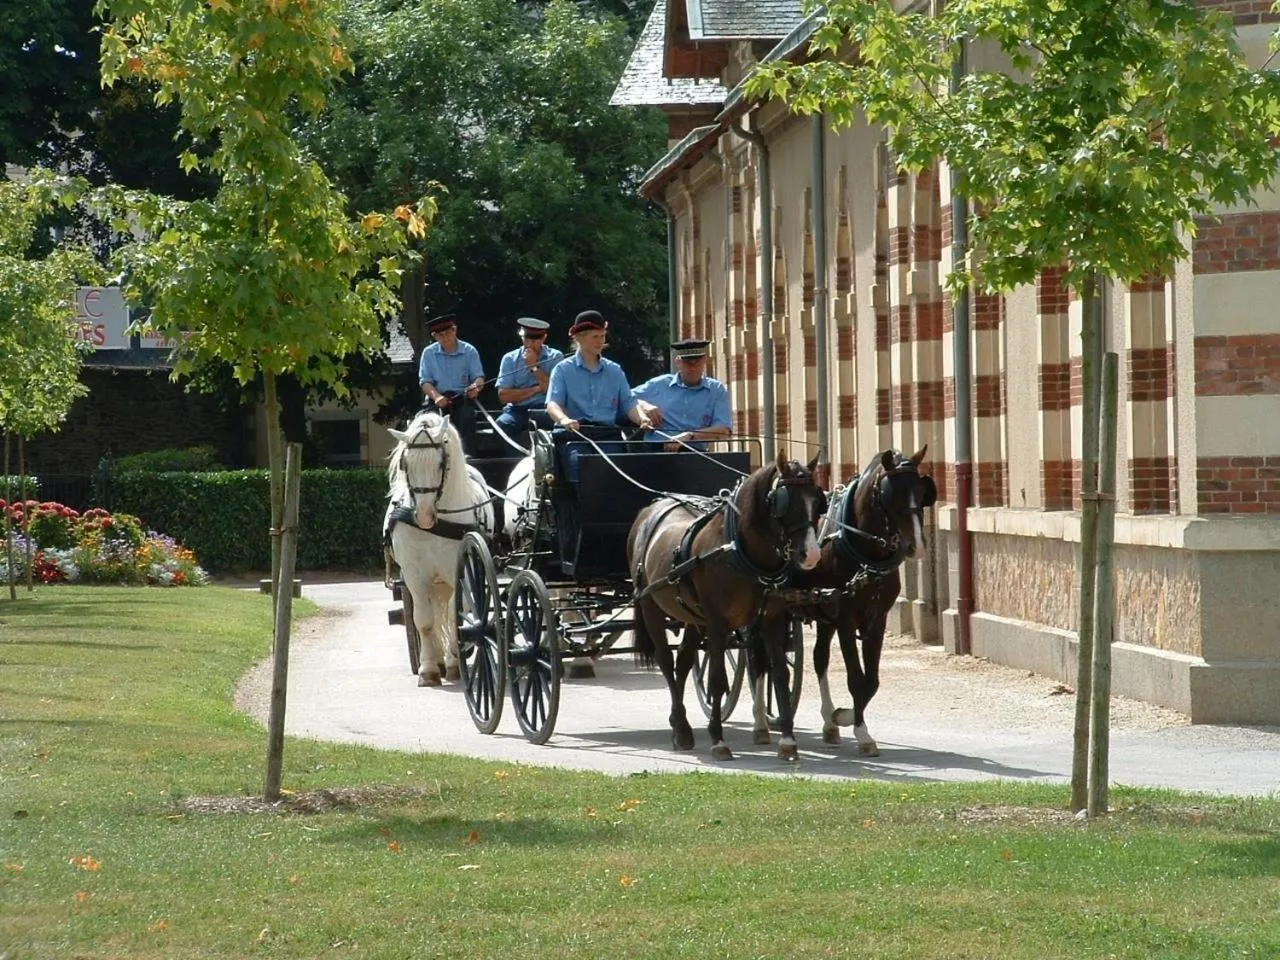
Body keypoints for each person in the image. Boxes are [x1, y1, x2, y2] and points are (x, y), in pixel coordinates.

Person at [545, 309, 652, 481]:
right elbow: (553, 404)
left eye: (602, 336)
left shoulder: (614, 370)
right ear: (579, 338)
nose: (601, 341)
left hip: (607, 436)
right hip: (575, 437)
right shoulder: (562, 369)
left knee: (618, 473)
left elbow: (628, 403)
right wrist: (564, 420)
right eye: (595, 337)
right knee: (580, 470)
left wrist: (641, 418)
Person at [633, 339, 733, 451]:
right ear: (678, 362)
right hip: (655, 451)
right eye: (687, 363)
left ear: (704, 360)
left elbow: (724, 430)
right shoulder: (659, 384)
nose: (693, 368)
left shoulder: (716, 390)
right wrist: (644, 406)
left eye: (697, 362)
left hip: (694, 453)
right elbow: (626, 398)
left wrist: (689, 436)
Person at [418, 314, 485, 455]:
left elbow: (479, 377)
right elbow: (425, 381)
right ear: (435, 336)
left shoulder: (469, 351)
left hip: (462, 398)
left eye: (447, 333)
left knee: (467, 417)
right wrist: (436, 397)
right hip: (437, 400)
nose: (445, 338)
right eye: (440, 335)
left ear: (454, 330)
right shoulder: (428, 353)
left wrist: (475, 387)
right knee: (423, 423)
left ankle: (466, 456)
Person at [494, 316, 563, 443]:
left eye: (535, 339)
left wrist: (533, 366)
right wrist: (537, 389)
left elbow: (553, 390)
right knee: (502, 425)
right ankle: (515, 462)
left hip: (546, 409)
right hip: (518, 410)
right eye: (526, 338)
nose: (529, 343)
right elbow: (504, 396)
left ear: (543, 338)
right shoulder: (509, 359)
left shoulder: (555, 357)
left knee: (562, 426)